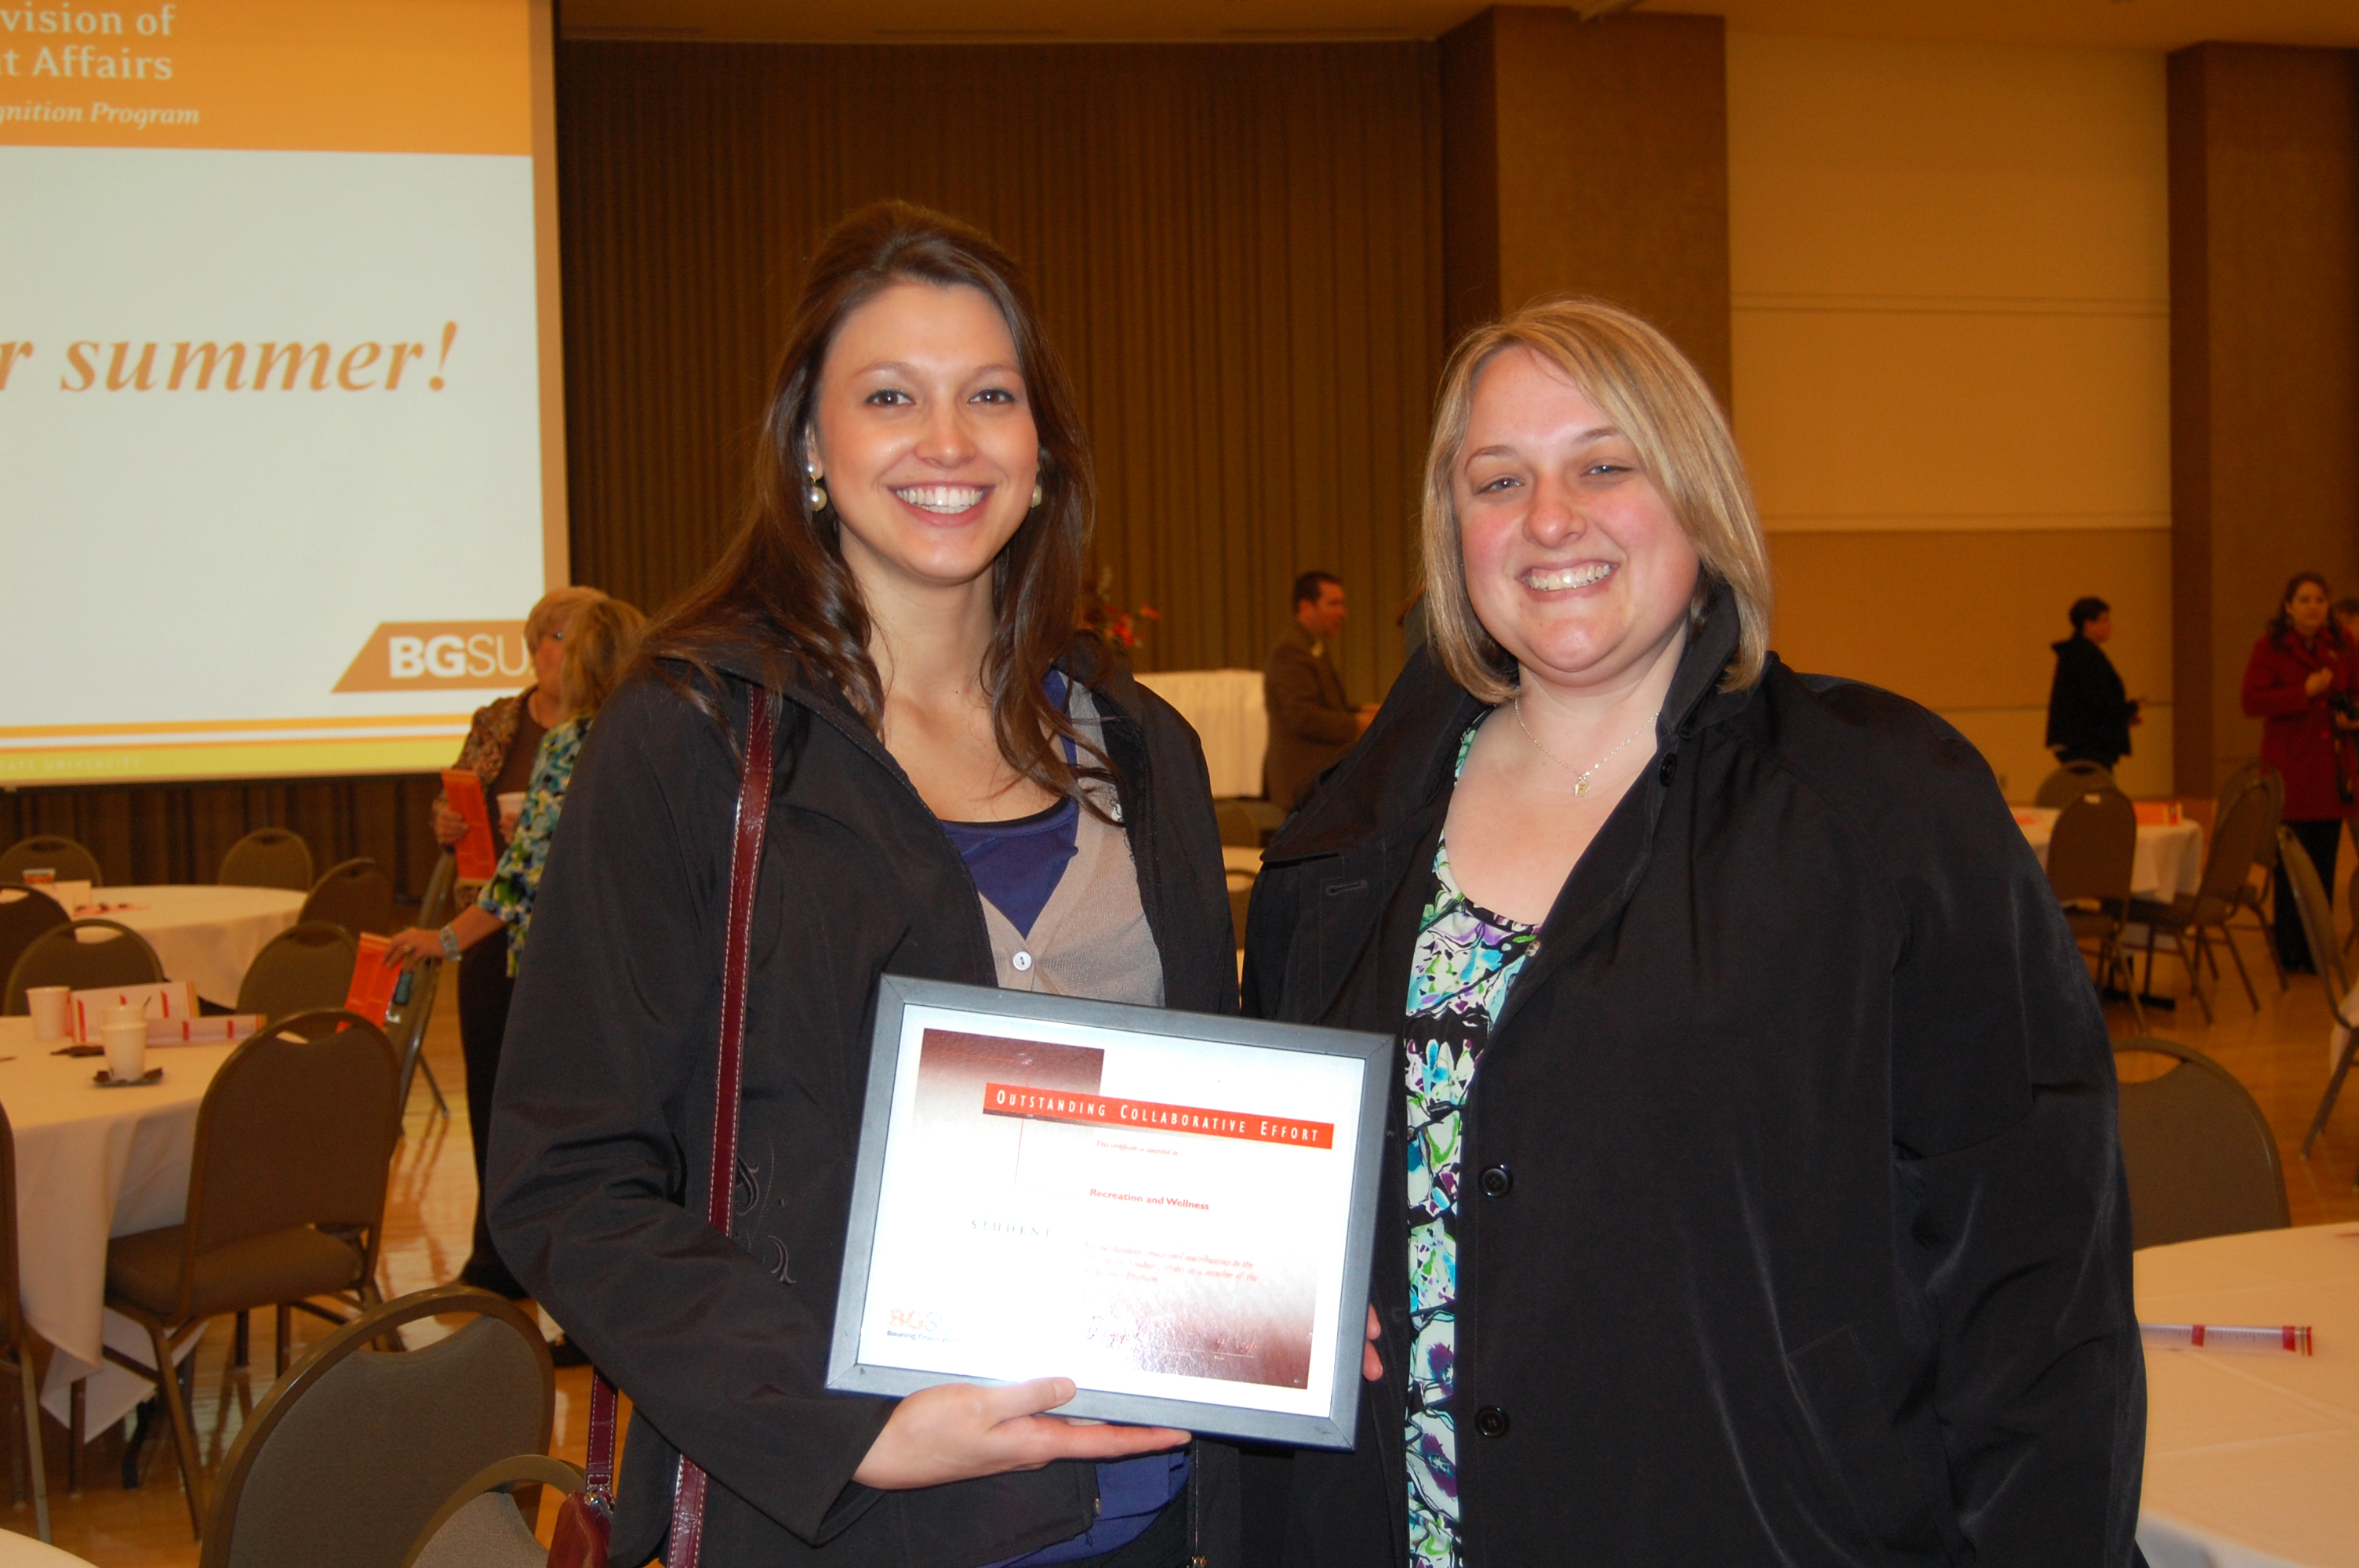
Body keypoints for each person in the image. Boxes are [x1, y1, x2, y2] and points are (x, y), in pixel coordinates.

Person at [1241, 299, 2143, 1565]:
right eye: (1498, 480)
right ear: (1453, 534)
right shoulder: (1352, 842)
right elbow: (1277, 1201)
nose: (1550, 518)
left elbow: (2033, 1274)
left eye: (1603, 465)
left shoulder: (1880, 807)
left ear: (1698, 495)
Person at [485, 202, 1245, 1567]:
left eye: (990, 396)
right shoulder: (694, 738)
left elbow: (1211, 1115)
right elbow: (569, 1176)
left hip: (1154, 1511)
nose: (947, 440)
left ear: (1042, 451)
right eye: (890, 396)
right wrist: (849, 1427)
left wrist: (1288, 1288)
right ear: (810, 446)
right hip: (848, 1515)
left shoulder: (1141, 747)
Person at [425, 583, 605, 1300]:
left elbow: (532, 866)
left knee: (552, 1108)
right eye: (557, 637)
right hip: (489, 928)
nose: (566, 651)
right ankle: (496, 1252)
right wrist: (449, 823)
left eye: (580, 637)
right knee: (489, 1093)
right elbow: (459, 802)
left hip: (554, 937)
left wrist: (439, 940)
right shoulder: (498, 720)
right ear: (536, 647)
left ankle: (543, 1258)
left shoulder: (602, 729)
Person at [388, 595, 646, 979]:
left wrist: (444, 940)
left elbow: (525, 873)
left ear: (583, 663)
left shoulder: (569, 743)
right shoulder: (662, 733)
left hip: (569, 952)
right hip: (642, 951)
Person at [2241, 571, 2359, 974]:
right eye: (2305, 600)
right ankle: (2290, 948)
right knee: (2291, 864)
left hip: (2331, 770)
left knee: (2324, 863)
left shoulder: (2342, 644)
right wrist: (2302, 693)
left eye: (2320, 600)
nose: (2314, 607)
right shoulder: (2270, 648)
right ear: (2289, 607)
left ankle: (2318, 948)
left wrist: (2351, 715)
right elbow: (2252, 701)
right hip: (2290, 770)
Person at [1263, 571, 1377, 811]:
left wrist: (1362, 710)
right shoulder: (1291, 651)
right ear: (1306, 607)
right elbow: (1302, 717)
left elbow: (1325, 705)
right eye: (1333, 604)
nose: (1342, 612)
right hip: (1304, 781)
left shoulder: (1309, 646)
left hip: (1316, 780)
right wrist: (1357, 724)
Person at [2045, 595, 2140, 768]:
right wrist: (2128, 710)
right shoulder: (2086, 657)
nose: (2110, 625)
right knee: (2095, 782)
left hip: (2081, 741)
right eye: (2104, 620)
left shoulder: (2078, 654)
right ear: (2088, 624)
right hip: (2087, 744)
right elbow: (2099, 701)